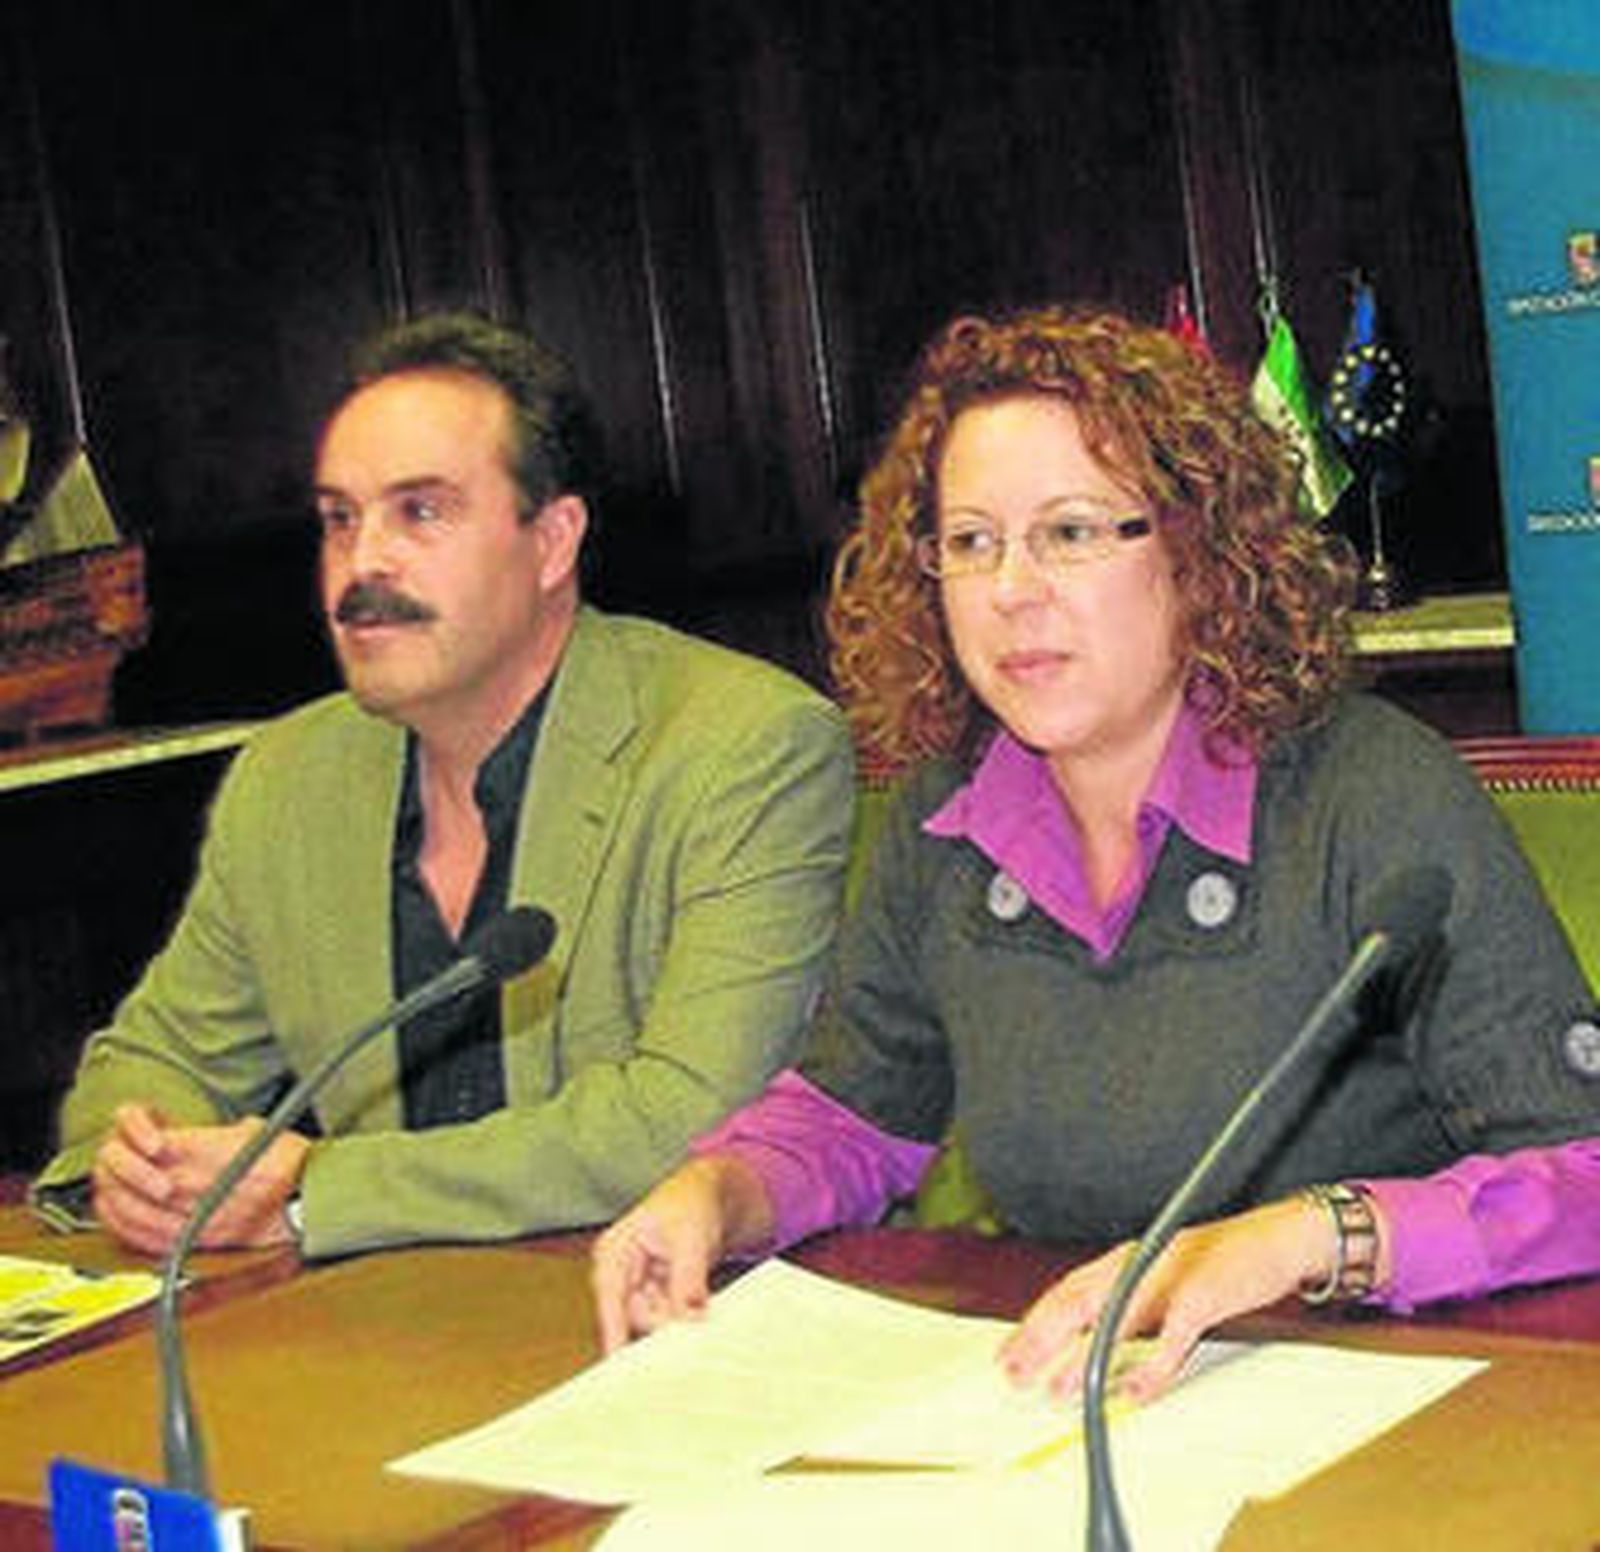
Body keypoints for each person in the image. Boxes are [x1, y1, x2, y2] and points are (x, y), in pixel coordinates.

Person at [593, 305, 1600, 1399]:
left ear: (1197, 547)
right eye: (970, 542)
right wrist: (720, 1190)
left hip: (1370, 1388)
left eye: (1070, 531)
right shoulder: (948, 820)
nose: (1011, 588)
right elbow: (856, 1112)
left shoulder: (1372, 793)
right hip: (1068, 1395)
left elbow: (1585, 1170)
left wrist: (1312, 1237)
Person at [32, 311, 855, 1260]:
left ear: (552, 541)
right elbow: (152, 1061)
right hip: (368, 1324)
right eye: (341, 519)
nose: (364, 562)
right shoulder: (289, 779)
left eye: (420, 511)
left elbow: (691, 1120)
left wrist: (313, 1192)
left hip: (659, 1314)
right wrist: (145, 1164)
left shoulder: (742, 746)